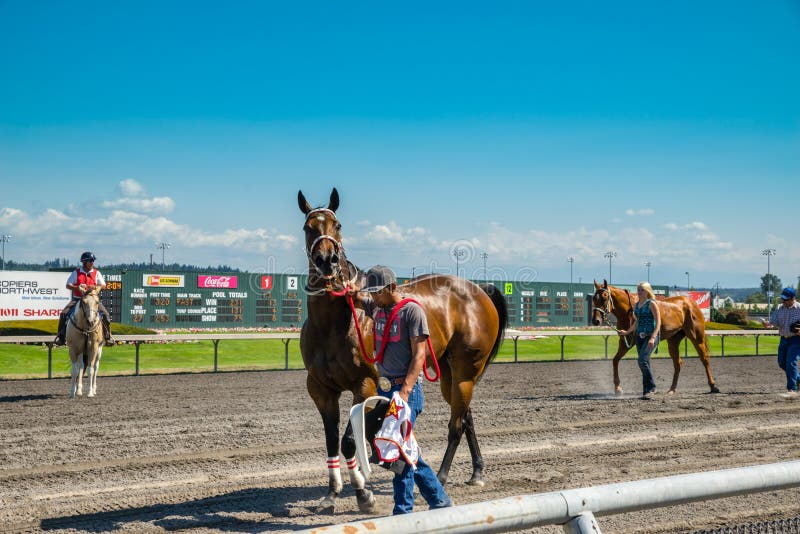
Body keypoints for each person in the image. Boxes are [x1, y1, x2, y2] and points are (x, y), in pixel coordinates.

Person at [351, 265, 452, 515]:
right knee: (408, 451)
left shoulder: (413, 312)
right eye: (372, 293)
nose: (373, 297)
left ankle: (402, 513)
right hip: (386, 391)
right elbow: (360, 299)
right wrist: (351, 292)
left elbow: (420, 356)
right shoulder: (377, 307)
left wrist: (405, 392)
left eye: (378, 292)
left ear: (392, 288)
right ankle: (440, 501)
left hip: (406, 391)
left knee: (398, 453)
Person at [54, 251, 113, 345]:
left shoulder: (96, 273)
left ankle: (108, 336)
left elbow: (103, 285)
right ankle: (61, 337)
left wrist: (96, 287)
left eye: (93, 260)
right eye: (90, 260)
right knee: (64, 314)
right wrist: (77, 288)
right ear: (84, 262)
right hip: (78, 299)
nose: (92, 262)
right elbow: (68, 285)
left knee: (106, 315)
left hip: (92, 300)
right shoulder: (76, 272)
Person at [619, 282, 662, 399]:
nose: (639, 292)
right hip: (639, 337)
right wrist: (627, 332)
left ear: (647, 291)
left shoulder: (652, 304)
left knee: (642, 361)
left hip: (650, 336)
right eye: (638, 290)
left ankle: (652, 387)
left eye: (641, 290)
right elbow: (637, 322)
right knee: (644, 363)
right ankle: (646, 391)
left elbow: (659, 322)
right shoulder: (637, 305)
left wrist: (653, 337)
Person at [764, 287, 800, 396]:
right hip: (784, 339)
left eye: (785, 299)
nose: (783, 301)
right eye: (782, 299)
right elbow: (773, 322)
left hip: (796, 340)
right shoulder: (780, 308)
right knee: (782, 363)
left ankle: (792, 389)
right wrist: (768, 324)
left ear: (793, 298)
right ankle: (797, 378)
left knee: (791, 363)